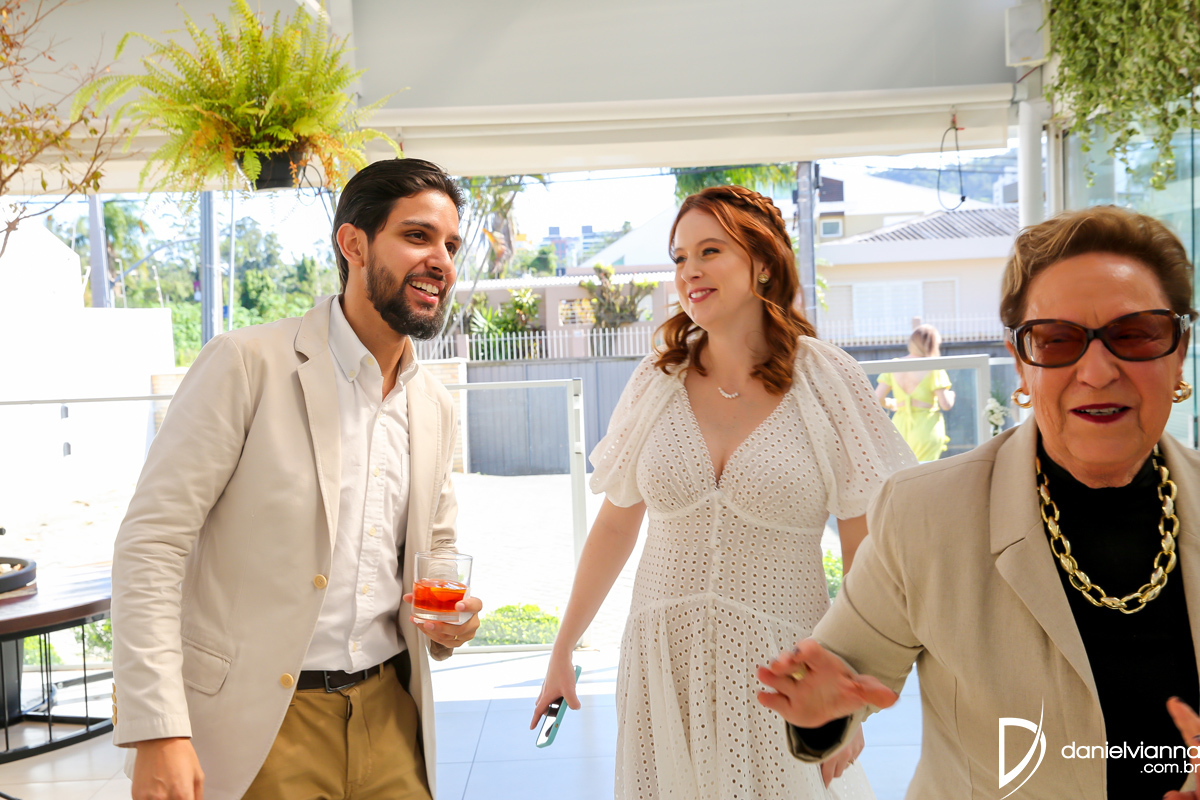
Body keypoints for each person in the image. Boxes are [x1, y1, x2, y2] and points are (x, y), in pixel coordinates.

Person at [757, 205, 1200, 799]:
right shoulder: (925, 514)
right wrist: (819, 712)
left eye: (1134, 334)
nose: (1097, 371)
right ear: (1021, 362)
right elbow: (841, 676)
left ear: (1178, 350)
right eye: (1057, 340)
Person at [111, 158, 483, 800]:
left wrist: (452, 622)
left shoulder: (433, 404)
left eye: (450, 245)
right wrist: (157, 728)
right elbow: (152, 545)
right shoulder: (245, 363)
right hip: (261, 726)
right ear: (354, 244)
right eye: (417, 236)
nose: (441, 261)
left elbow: (436, 547)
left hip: (391, 715)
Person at [532, 185, 916, 799]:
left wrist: (851, 692)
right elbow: (615, 524)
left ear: (762, 262)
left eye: (710, 251)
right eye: (680, 257)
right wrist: (562, 647)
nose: (690, 270)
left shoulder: (825, 379)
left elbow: (863, 547)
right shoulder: (658, 379)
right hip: (662, 660)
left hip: (784, 667)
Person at [875, 324, 955, 460]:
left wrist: (891, 403)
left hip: (899, 426)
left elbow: (876, 398)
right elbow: (945, 404)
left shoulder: (894, 365)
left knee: (904, 467)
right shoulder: (933, 366)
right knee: (926, 470)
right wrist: (951, 395)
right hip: (925, 427)